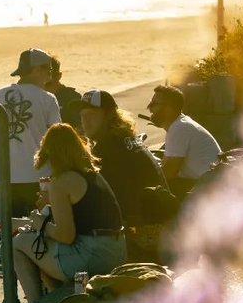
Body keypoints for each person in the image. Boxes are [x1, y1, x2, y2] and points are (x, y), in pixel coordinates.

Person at [10, 124, 126, 303]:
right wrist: (51, 205)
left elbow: (66, 236)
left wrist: (40, 223)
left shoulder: (61, 182)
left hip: (92, 258)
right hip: (116, 252)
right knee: (41, 243)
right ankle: (57, 295)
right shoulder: (93, 174)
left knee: (18, 243)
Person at [73, 89, 172, 262]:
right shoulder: (125, 139)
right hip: (157, 227)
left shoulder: (107, 148)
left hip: (138, 234)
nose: (85, 122)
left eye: (91, 115)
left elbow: (90, 196)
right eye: (82, 116)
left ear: (110, 115)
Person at [0, 47, 61, 219]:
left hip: (5, 180)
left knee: (9, 237)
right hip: (38, 179)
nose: (50, 76)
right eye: (49, 70)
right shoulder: (48, 99)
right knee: (39, 236)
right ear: (37, 70)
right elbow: (57, 141)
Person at [147, 84, 222, 197]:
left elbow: (168, 174)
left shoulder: (180, 128)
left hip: (202, 189)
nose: (149, 107)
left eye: (154, 104)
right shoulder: (180, 125)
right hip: (203, 184)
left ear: (169, 108)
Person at [46, 56, 82, 129]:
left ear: (59, 76)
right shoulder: (36, 97)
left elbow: (81, 128)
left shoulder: (72, 98)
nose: (44, 87)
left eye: (48, 84)